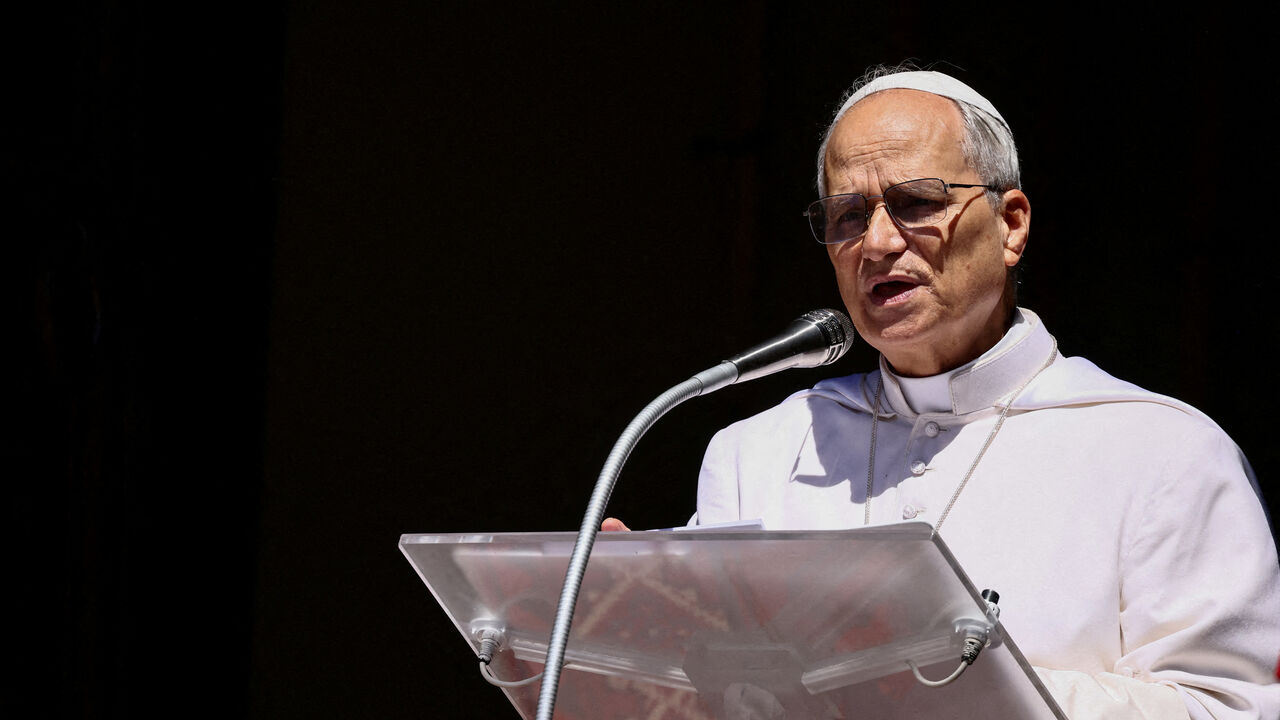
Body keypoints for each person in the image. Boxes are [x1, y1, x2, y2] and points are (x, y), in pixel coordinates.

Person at [682, 67, 1280, 719]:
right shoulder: (756, 456)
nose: (877, 243)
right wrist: (638, 628)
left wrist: (966, 689)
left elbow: (1227, 708)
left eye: (917, 203)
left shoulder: (1163, 451)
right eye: (849, 215)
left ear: (1010, 225)